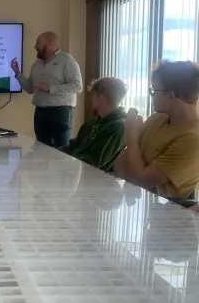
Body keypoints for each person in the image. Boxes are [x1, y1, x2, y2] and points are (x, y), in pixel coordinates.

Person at [114, 60, 199, 199]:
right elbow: (119, 166)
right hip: (131, 201)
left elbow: (141, 182)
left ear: (170, 96)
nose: (151, 96)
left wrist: (131, 134)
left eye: (153, 91)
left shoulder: (193, 139)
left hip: (162, 213)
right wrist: (137, 171)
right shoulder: (156, 119)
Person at [11, 31, 83, 148]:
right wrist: (18, 73)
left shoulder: (67, 60)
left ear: (49, 44)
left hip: (60, 112)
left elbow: (77, 86)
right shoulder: (37, 64)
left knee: (61, 150)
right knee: (42, 149)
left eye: (38, 43)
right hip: (40, 112)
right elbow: (30, 89)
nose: (35, 46)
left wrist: (50, 88)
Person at [60, 77, 127, 173]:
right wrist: (53, 154)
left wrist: (62, 163)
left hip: (96, 181)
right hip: (75, 171)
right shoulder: (94, 121)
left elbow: (94, 161)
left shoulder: (118, 127)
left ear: (101, 98)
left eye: (93, 95)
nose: (91, 98)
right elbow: (75, 144)